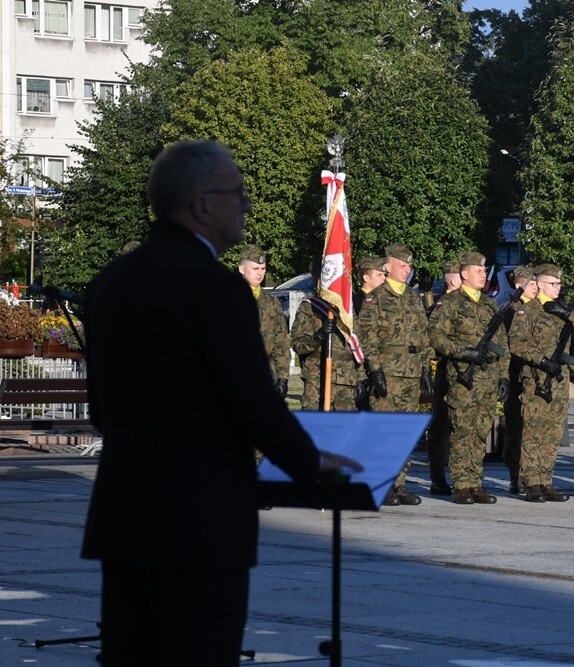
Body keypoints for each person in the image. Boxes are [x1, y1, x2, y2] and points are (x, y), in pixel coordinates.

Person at [80, 140, 360, 666]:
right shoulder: (216, 289)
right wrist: (312, 462)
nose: (245, 204)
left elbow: (100, 408)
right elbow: (253, 403)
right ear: (202, 205)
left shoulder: (111, 282)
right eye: (237, 193)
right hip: (201, 522)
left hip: (127, 516)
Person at [428, 250, 510, 505]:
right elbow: (436, 337)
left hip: (488, 377)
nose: (484, 274)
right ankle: (462, 484)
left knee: (480, 432)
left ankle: (475, 483)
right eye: (479, 270)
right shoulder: (450, 303)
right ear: (464, 274)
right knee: (462, 431)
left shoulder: (489, 304)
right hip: (464, 378)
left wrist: (503, 376)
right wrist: (463, 352)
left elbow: (502, 343)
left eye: (484, 270)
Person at [355, 243, 432, 507]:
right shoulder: (375, 297)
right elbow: (367, 336)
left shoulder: (412, 296)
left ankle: (399, 483)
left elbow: (423, 334)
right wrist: (375, 370)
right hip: (388, 372)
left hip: (411, 371)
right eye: (402, 265)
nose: (407, 270)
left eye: (409, 266)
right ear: (388, 266)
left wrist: (425, 368)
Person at [509, 263, 574, 502]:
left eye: (559, 283)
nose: (558, 287)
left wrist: (568, 314)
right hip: (536, 379)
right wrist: (542, 361)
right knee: (534, 432)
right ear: (540, 284)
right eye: (553, 283)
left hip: (559, 380)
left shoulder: (561, 310)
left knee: (553, 433)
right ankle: (532, 482)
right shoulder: (528, 310)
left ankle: (546, 480)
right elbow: (517, 343)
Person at [291, 257, 365, 412]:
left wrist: (361, 377)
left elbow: (357, 344)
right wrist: (318, 336)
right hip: (317, 379)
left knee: (344, 425)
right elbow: (298, 345)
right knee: (316, 424)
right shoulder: (308, 308)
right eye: (319, 276)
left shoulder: (346, 311)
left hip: (345, 380)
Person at [425, 258, 461, 495]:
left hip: (464, 372)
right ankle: (438, 477)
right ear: (452, 279)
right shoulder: (441, 305)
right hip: (443, 370)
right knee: (440, 426)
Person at [502, 265, 537, 493]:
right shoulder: (511, 310)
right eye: (530, 283)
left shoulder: (539, 309)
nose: (535, 287)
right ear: (518, 285)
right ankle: (516, 475)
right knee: (516, 426)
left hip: (532, 377)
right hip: (515, 376)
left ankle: (531, 474)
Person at [238, 244, 290, 398]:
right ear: (242, 269)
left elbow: (281, 341)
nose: (260, 273)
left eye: (263, 269)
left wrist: (283, 378)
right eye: (255, 269)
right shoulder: (227, 298)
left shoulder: (272, 302)